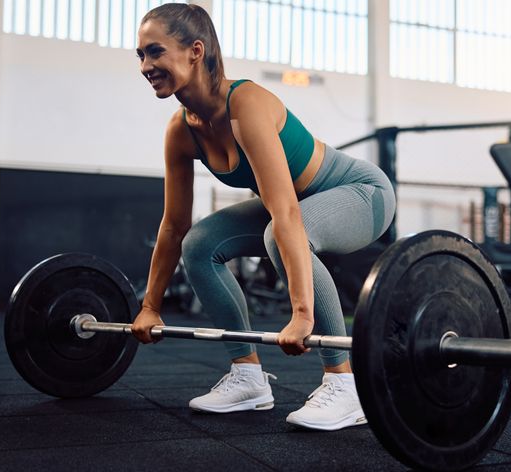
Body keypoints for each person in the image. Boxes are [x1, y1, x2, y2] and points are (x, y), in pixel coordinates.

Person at [130, 3, 395, 431]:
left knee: (281, 233)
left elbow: (287, 211)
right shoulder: (181, 130)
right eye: (140, 55)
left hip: (363, 194)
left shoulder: (246, 103)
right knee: (199, 243)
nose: (146, 65)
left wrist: (302, 313)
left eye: (155, 52)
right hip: (291, 208)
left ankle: (345, 384)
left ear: (195, 51)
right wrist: (150, 306)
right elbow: (173, 226)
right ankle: (248, 376)